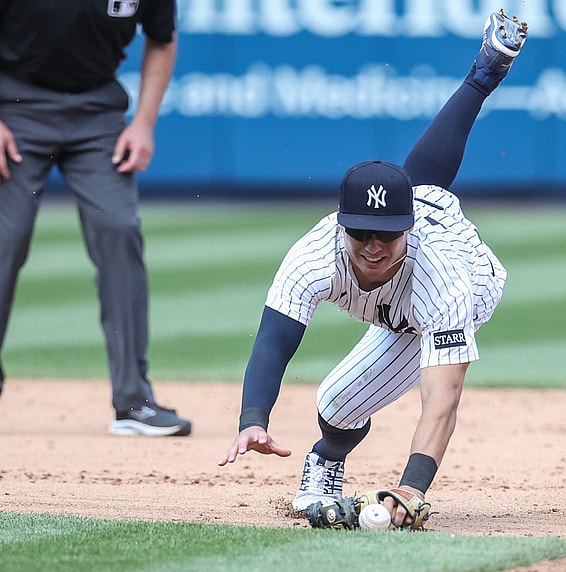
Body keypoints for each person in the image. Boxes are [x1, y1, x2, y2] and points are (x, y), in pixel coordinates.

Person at [218, 9, 527, 526]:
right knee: (336, 409)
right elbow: (274, 339)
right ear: (341, 224)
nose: (373, 244)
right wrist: (254, 417)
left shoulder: (444, 280)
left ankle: (481, 77)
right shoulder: (315, 254)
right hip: (415, 232)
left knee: (345, 394)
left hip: (471, 278)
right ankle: (326, 460)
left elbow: (442, 396)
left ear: (407, 231)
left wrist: (412, 487)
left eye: (387, 232)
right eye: (360, 230)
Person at [0, 0, 192, 437]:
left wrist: (143, 123)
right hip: (12, 103)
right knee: (5, 238)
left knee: (119, 230)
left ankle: (133, 402)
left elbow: (162, 39)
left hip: (96, 112)